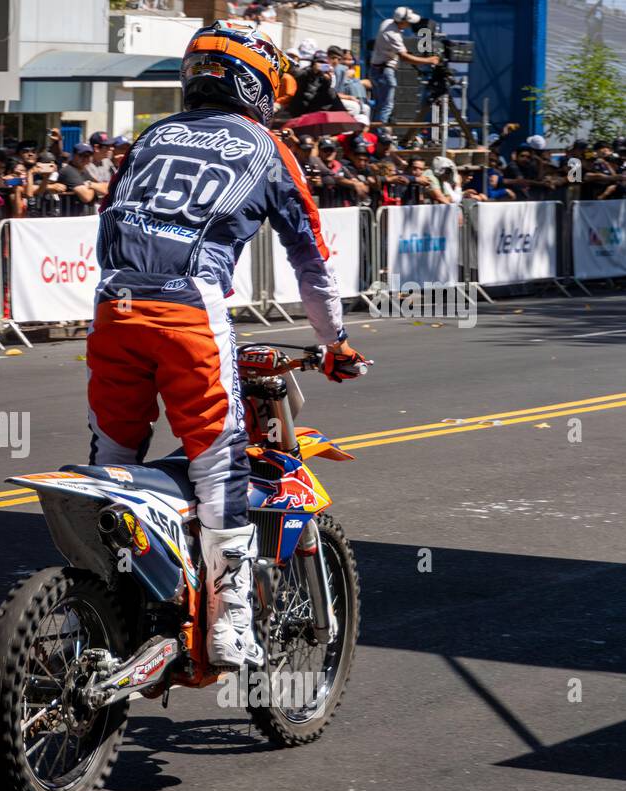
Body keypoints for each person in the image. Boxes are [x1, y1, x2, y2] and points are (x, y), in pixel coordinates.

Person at [88, 20, 367, 669]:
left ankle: (107, 604)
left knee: (114, 466)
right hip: (189, 306)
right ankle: (229, 624)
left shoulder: (152, 137)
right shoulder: (267, 147)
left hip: (112, 305)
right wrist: (337, 342)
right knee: (222, 468)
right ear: (257, 85)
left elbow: (115, 214)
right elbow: (313, 260)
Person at [370, 6, 440, 124]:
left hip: (378, 69)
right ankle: (381, 136)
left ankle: (377, 134)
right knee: (386, 106)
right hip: (384, 71)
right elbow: (404, 57)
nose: (409, 25)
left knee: (380, 105)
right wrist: (429, 60)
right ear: (402, 22)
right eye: (408, 22)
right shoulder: (393, 35)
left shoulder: (387, 23)